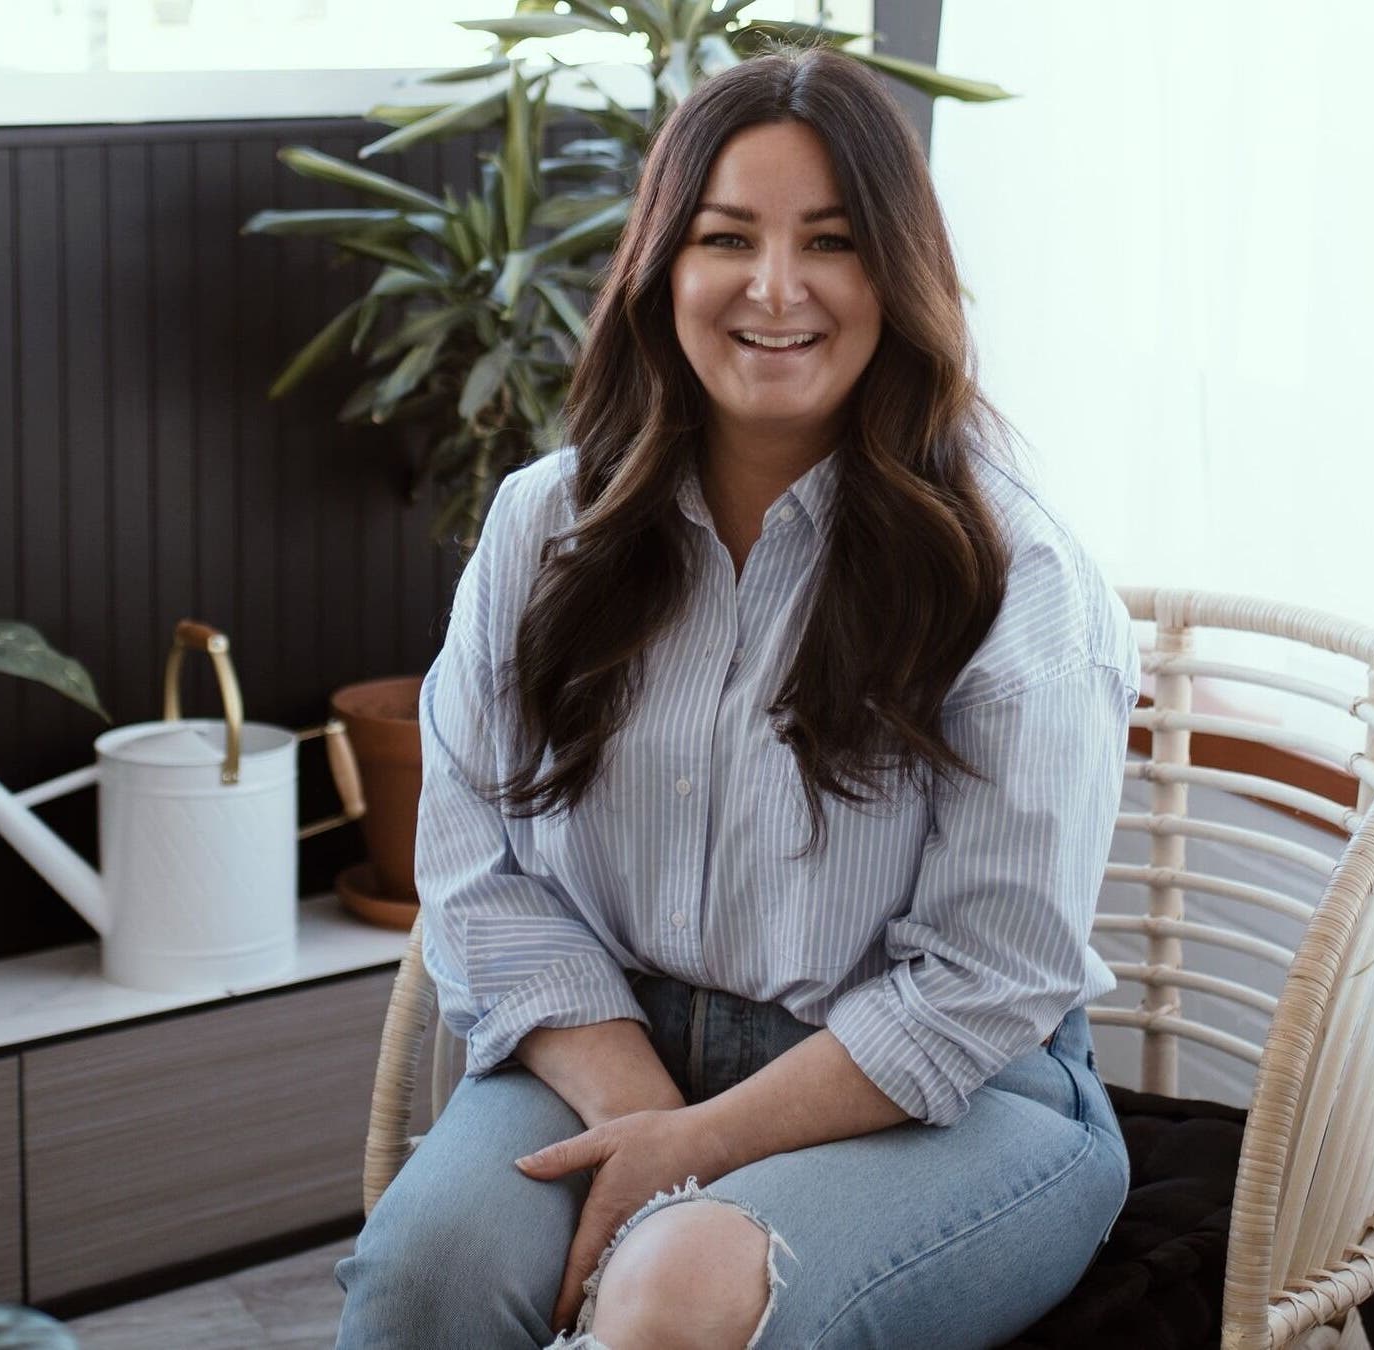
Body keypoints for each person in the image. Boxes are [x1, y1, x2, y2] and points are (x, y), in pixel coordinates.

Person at [334, 42, 1137, 1350]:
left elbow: (992, 974)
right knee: (425, 1282)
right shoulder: (545, 527)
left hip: (960, 1095)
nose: (775, 288)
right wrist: (644, 1110)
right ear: (664, 269)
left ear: (898, 275)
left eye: (830, 241)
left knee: (679, 1291)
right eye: (726, 238)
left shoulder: (1015, 571)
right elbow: (478, 869)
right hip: (611, 1039)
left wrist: (691, 1153)